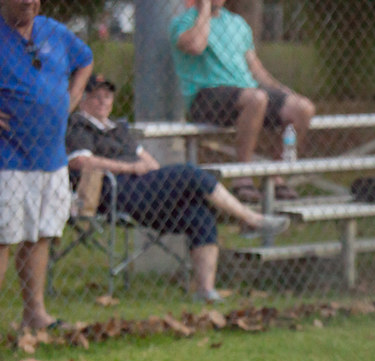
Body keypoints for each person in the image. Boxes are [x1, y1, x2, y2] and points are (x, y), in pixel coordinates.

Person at [66, 74, 290, 304]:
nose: (103, 102)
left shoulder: (119, 128)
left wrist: (149, 172)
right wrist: (131, 167)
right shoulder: (78, 124)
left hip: (144, 190)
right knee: (189, 172)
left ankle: (205, 291)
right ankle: (250, 218)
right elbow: (81, 162)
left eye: (107, 96)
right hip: (115, 192)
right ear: (83, 100)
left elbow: (150, 163)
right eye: (96, 97)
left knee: (199, 213)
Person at [0, 0, 92, 331]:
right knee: (2, 237)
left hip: (50, 157)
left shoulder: (54, 31)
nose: (28, 2)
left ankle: (34, 314)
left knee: (40, 234)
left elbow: (85, 60)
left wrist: (73, 97)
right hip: (6, 158)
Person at [170, 0, 315, 204]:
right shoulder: (185, 21)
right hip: (206, 96)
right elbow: (195, 45)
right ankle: (242, 178)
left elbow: (255, 68)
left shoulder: (237, 23)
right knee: (256, 98)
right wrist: (203, 10)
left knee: (303, 108)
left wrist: (282, 91)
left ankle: (276, 175)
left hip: (246, 94)